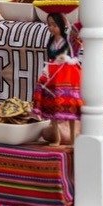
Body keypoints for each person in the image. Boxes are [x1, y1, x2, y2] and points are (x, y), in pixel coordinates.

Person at [33, 12, 83, 146]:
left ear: (61, 25)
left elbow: (75, 54)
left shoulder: (69, 41)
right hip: (53, 73)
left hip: (66, 75)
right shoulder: (51, 42)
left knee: (70, 107)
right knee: (53, 107)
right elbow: (51, 58)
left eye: (54, 25)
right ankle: (57, 138)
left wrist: (67, 59)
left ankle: (72, 139)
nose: (51, 28)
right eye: (49, 25)